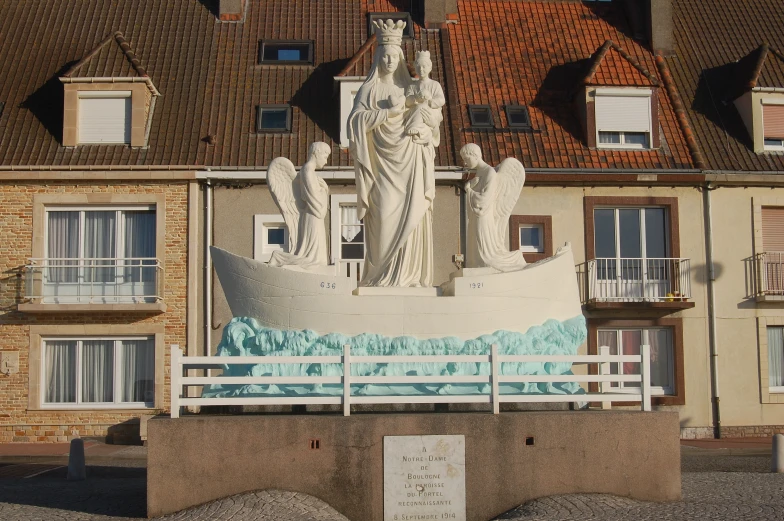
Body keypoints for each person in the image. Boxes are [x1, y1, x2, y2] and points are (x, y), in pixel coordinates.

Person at [347, 20, 436, 287]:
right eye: (384, 54)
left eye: (394, 55)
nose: (389, 59)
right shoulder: (368, 89)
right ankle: (379, 278)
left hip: (410, 164)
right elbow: (355, 121)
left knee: (412, 219)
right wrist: (387, 113)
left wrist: (427, 135)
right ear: (377, 57)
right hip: (381, 168)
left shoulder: (411, 89)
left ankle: (408, 277)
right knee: (383, 217)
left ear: (400, 58)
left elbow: (432, 120)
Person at [405, 51, 445, 146]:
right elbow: (407, 101)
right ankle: (417, 129)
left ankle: (416, 127)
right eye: (418, 67)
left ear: (430, 68)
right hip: (416, 111)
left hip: (431, 112)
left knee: (421, 107)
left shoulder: (434, 84)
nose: (421, 69)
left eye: (424, 67)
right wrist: (415, 98)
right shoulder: (412, 86)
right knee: (419, 107)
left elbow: (441, 100)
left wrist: (429, 101)